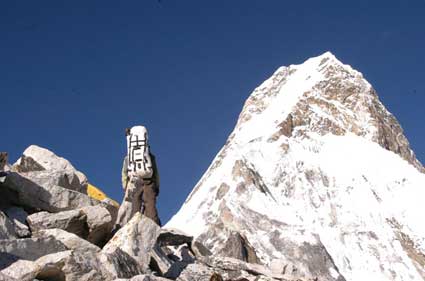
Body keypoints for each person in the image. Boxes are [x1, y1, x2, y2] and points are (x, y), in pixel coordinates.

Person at [115, 126, 161, 228]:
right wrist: (157, 186)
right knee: (150, 208)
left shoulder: (128, 158)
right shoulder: (150, 156)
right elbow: (156, 172)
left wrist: (125, 186)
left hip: (135, 183)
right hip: (149, 182)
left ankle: (135, 229)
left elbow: (124, 173)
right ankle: (155, 229)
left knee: (135, 209)